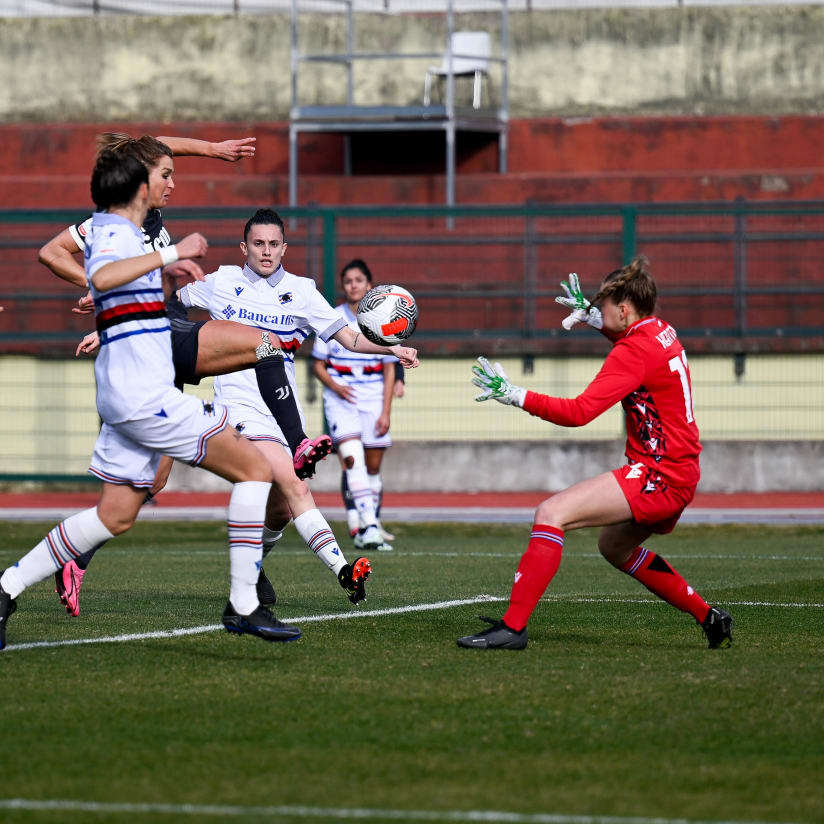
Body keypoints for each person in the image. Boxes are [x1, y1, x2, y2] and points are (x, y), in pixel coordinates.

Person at [0, 151, 301, 650]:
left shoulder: (116, 229)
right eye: (163, 175)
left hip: (126, 391)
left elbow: (118, 295)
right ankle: (244, 604)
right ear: (141, 187)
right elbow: (101, 279)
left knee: (113, 516)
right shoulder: (118, 232)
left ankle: (5, 590)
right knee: (257, 471)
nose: (169, 183)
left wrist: (169, 265)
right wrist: (171, 253)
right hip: (144, 396)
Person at [457, 260, 733, 651]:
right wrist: (593, 319)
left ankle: (513, 628)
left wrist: (515, 395)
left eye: (604, 305)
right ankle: (709, 616)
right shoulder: (660, 331)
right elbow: (636, 353)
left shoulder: (633, 350)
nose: (597, 309)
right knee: (614, 548)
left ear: (624, 310)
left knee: (551, 514)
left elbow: (578, 412)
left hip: (658, 475)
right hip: (681, 473)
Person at [177, 210, 419, 606]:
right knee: (295, 484)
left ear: (284, 247)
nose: (266, 251)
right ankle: (343, 570)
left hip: (283, 409)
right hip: (238, 405)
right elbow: (167, 302)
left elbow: (348, 338)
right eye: (258, 243)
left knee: (281, 509)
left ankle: (251, 568)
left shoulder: (302, 290)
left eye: (274, 244)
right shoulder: (219, 283)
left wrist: (392, 348)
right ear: (244, 247)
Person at [312, 259, 398, 552]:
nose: (353, 285)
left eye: (359, 280)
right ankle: (369, 526)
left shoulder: (382, 320)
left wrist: (386, 410)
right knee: (352, 459)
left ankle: (367, 523)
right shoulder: (331, 317)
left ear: (369, 285)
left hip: (373, 398)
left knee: (372, 468)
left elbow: (389, 368)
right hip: (341, 400)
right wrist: (335, 386)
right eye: (348, 280)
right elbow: (318, 365)